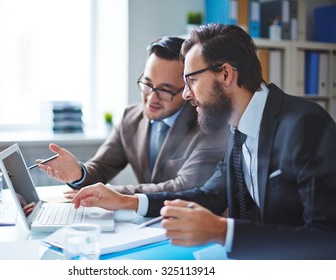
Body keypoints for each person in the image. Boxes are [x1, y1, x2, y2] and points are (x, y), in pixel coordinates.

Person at [70, 24, 336, 259]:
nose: (185, 94)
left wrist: (222, 231)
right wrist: (127, 202)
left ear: (226, 74)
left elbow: (326, 239)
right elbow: (209, 195)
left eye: (192, 80)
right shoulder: (238, 127)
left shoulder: (305, 125)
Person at [38, 36, 228, 196]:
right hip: (142, 225)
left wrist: (113, 194)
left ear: (188, 89)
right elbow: (101, 167)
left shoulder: (209, 125)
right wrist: (78, 174)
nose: (152, 98)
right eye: (147, 84)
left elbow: (184, 187)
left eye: (165, 90)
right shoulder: (130, 117)